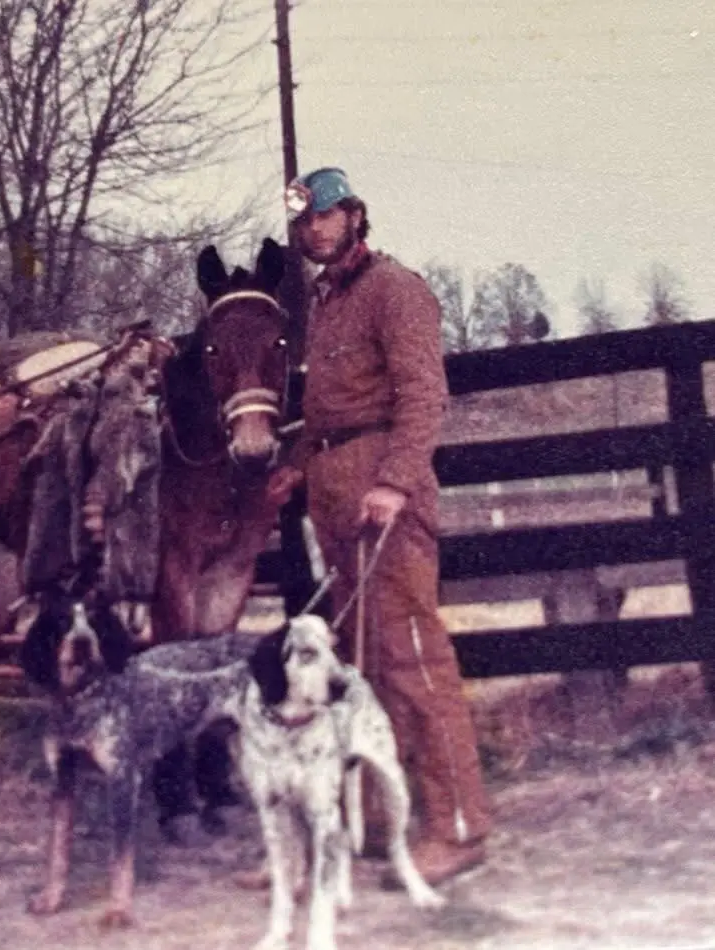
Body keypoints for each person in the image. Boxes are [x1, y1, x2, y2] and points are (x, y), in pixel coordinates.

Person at [285, 166, 491, 886]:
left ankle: (459, 827)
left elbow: (423, 394)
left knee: (412, 657)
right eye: (305, 221)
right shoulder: (325, 303)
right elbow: (328, 410)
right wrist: (299, 467)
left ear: (355, 216)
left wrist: (396, 481)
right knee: (364, 665)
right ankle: (382, 821)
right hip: (336, 499)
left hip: (384, 499)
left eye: (326, 216)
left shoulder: (394, 288)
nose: (315, 230)